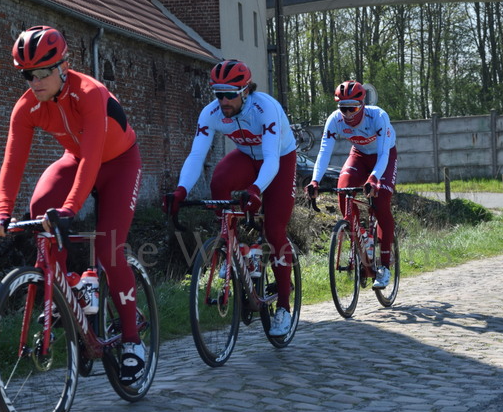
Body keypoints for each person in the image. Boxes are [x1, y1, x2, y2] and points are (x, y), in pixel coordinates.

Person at [0, 26, 145, 384]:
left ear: (63, 66)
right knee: (40, 211)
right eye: (28, 74)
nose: (36, 81)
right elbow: (12, 162)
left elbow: (92, 159)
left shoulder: (89, 93)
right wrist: (2, 211)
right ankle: (65, 296)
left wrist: (72, 207)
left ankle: (133, 339)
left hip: (118, 163)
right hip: (76, 160)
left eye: (44, 72)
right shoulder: (26, 107)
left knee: (109, 248)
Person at [163, 59, 298, 337]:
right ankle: (230, 244)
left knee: (274, 230)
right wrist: (181, 190)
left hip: (279, 160)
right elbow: (197, 155)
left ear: (245, 91)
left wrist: (256, 189)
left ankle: (283, 306)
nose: (223, 100)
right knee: (220, 182)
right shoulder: (211, 113)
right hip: (247, 157)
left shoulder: (265, 108)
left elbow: (272, 157)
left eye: (229, 94)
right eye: (218, 94)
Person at [306, 81, 397, 290]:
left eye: (352, 108)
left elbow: (383, 153)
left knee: (381, 203)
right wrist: (315, 180)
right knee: (343, 190)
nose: (347, 113)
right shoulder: (335, 120)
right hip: (358, 155)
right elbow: (324, 152)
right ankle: (360, 235)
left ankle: (384, 266)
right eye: (342, 108)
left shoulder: (378, 116)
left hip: (384, 157)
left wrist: (374, 177)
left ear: (362, 104)